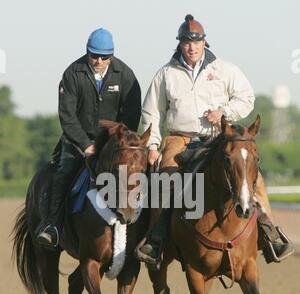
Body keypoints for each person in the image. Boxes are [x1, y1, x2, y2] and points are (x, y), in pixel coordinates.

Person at [137, 14, 294, 265]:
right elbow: (152, 113)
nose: (191, 47)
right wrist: (153, 146)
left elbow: (246, 98)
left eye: (196, 42)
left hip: (218, 137)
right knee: (166, 180)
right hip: (180, 138)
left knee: (255, 179)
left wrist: (224, 113)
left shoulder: (224, 69)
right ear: (180, 43)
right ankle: (156, 239)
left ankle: (270, 234)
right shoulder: (165, 74)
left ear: (204, 42)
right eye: (187, 42)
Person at [37, 28, 141, 249]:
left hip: (113, 143)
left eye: (104, 57)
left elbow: (131, 115)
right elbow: (67, 116)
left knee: (135, 171)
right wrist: (86, 145)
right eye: (94, 55)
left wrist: (115, 142)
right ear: (87, 52)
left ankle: (145, 232)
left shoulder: (126, 74)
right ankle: (52, 226)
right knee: (63, 173)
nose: (99, 60)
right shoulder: (72, 73)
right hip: (78, 142)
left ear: (111, 55)